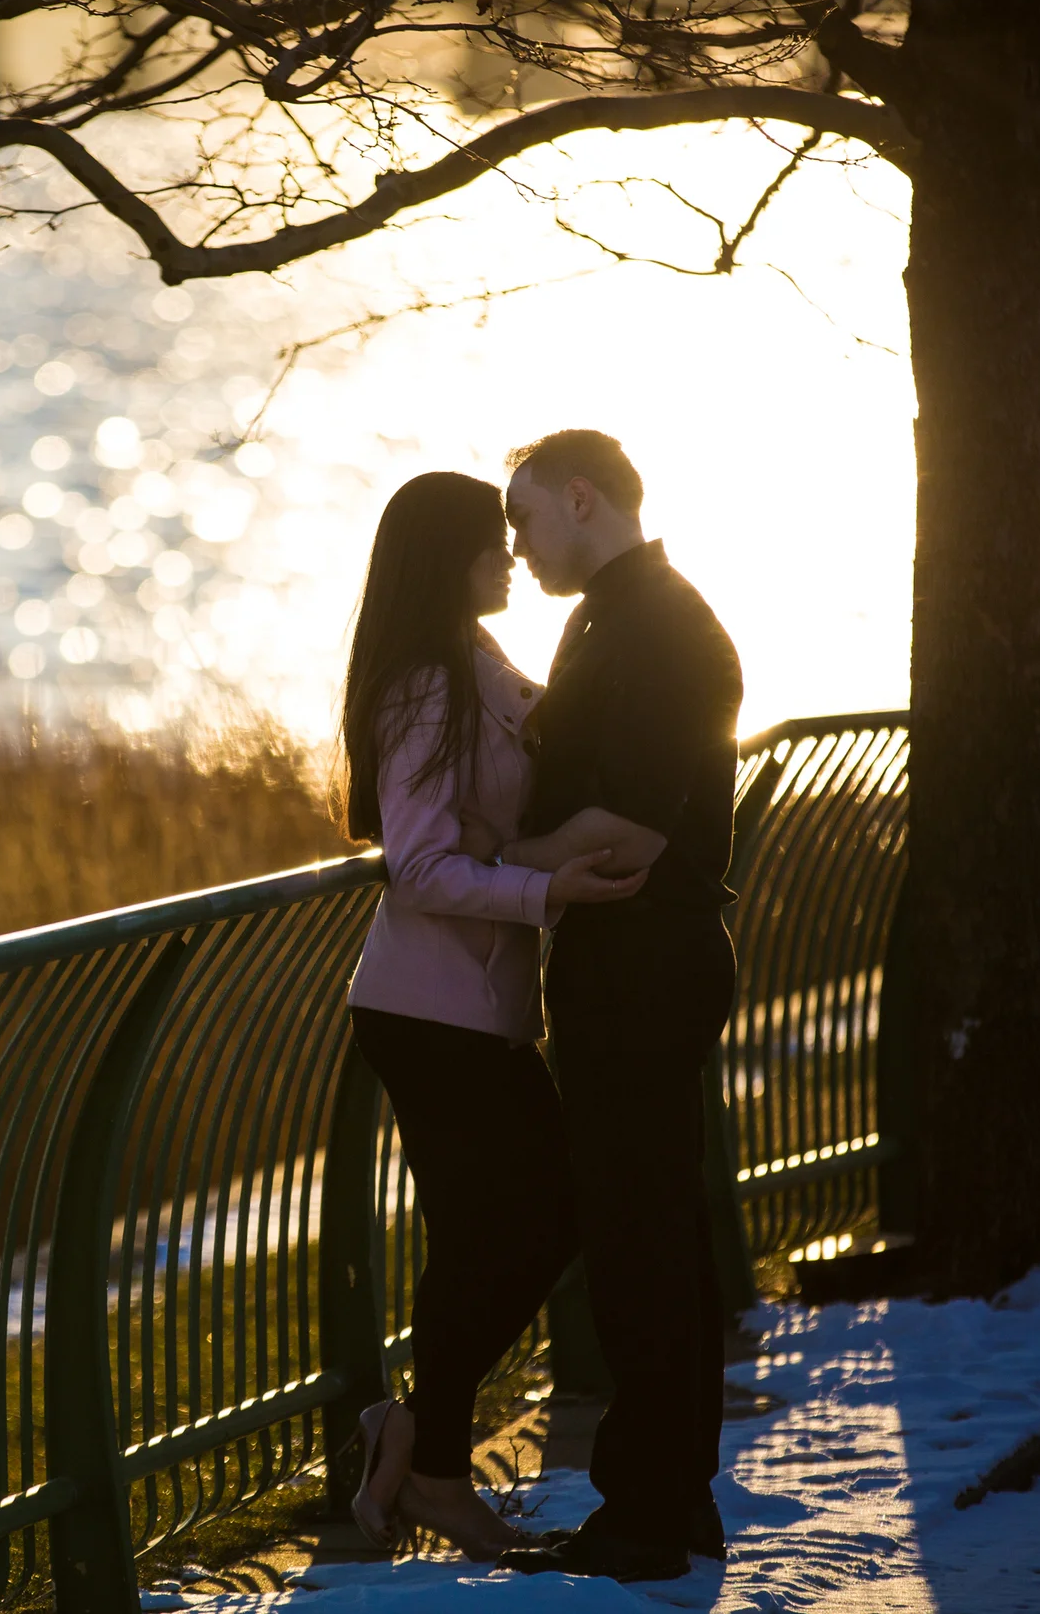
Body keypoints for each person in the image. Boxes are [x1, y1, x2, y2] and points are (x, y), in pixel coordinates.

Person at [339, 470, 666, 1563]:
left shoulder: (472, 661)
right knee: (525, 1225)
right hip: (429, 1010)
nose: (510, 554)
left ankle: (409, 1439)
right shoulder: (426, 682)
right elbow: (419, 862)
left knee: (505, 1231)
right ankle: (429, 1465)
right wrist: (547, 891)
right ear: (447, 557)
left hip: (472, 1009)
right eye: (492, 539)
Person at [477, 430, 744, 1584]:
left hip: (642, 966)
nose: (514, 543)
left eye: (523, 517)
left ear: (581, 500)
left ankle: (647, 1515)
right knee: (656, 1234)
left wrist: (502, 858)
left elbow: (630, 831)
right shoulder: (619, 617)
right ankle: (666, 1500)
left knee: (641, 1242)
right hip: (634, 965)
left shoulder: (656, 629)